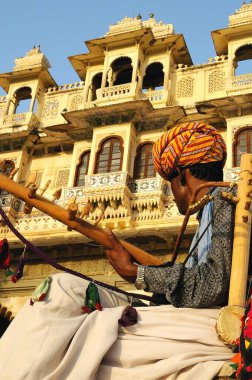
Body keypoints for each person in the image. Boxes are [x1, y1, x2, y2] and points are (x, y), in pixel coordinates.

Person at [0, 122, 235, 380]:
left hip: (211, 324)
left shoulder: (226, 201)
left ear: (180, 176)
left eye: (169, 184)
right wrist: (138, 268)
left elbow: (214, 284)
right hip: (193, 318)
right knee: (64, 289)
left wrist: (138, 273)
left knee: (69, 307)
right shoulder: (210, 210)